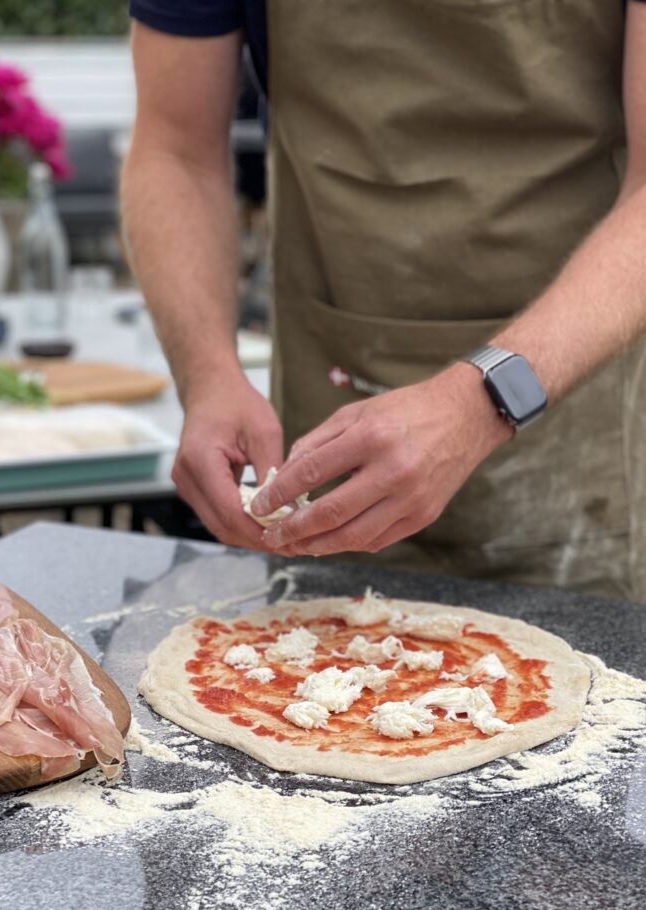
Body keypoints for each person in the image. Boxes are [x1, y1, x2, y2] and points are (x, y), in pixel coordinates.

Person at [122, 1, 646, 600]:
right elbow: (175, 150)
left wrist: (486, 397)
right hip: (325, 416)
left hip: (564, 427)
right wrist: (207, 374)